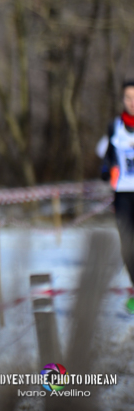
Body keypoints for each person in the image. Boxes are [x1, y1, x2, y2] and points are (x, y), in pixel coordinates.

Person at [96, 80, 134, 314]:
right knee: (127, 245)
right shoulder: (115, 126)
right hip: (123, 194)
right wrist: (105, 170)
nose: (132, 102)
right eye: (128, 98)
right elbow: (106, 154)